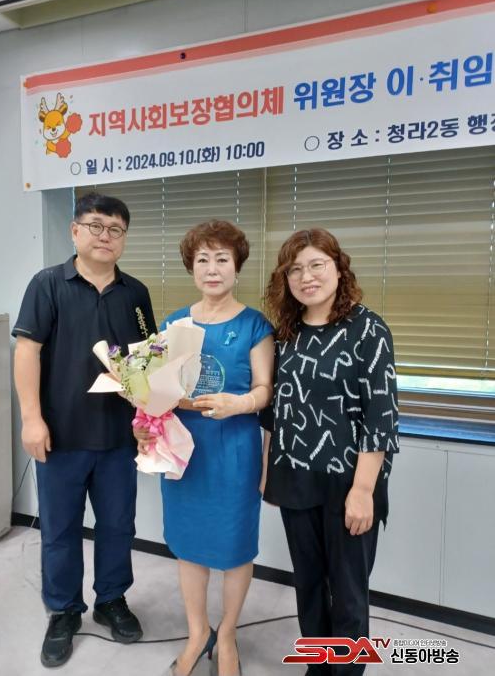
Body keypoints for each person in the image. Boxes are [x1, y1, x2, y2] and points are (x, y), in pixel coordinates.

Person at [13, 192, 156, 668]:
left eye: (115, 229)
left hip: (118, 438)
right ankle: (64, 611)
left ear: (124, 239)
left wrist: (149, 419)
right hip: (60, 436)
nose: (104, 236)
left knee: (118, 525)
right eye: (95, 226)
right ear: (75, 231)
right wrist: (31, 418)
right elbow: (27, 352)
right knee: (60, 530)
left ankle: (111, 599)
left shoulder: (136, 294)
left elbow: (146, 362)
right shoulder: (48, 284)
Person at [135, 220, 274, 676]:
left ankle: (227, 634)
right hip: (184, 452)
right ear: (191, 267)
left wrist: (241, 403)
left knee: (236, 549)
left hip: (234, 450)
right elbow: (153, 391)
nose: (212, 269)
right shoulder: (173, 323)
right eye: (203, 260)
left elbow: (265, 389)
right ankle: (198, 633)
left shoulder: (255, 325)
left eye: (222, 259)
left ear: (237, 267)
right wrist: (145, 424)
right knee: (189, 546)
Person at [261, 228, 399, 675]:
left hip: (349, 483)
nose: (306, 277)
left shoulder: (368, 329)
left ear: (339, 269)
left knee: (348, 594)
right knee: (309, 588)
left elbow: (381, 417)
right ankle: (317, 667)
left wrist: (363, 490)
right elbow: (275, 411)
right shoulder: (286, 333)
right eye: (295, 269)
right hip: (295, 478)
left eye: (317, 265)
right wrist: (268, 474)